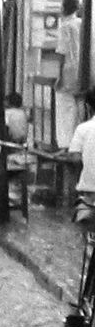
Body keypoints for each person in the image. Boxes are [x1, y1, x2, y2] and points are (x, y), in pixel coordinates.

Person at [64, 87, 95, 226]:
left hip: (88, 193)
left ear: (88, 106)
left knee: (88, 234)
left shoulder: (82, 129)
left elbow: (75, 158)